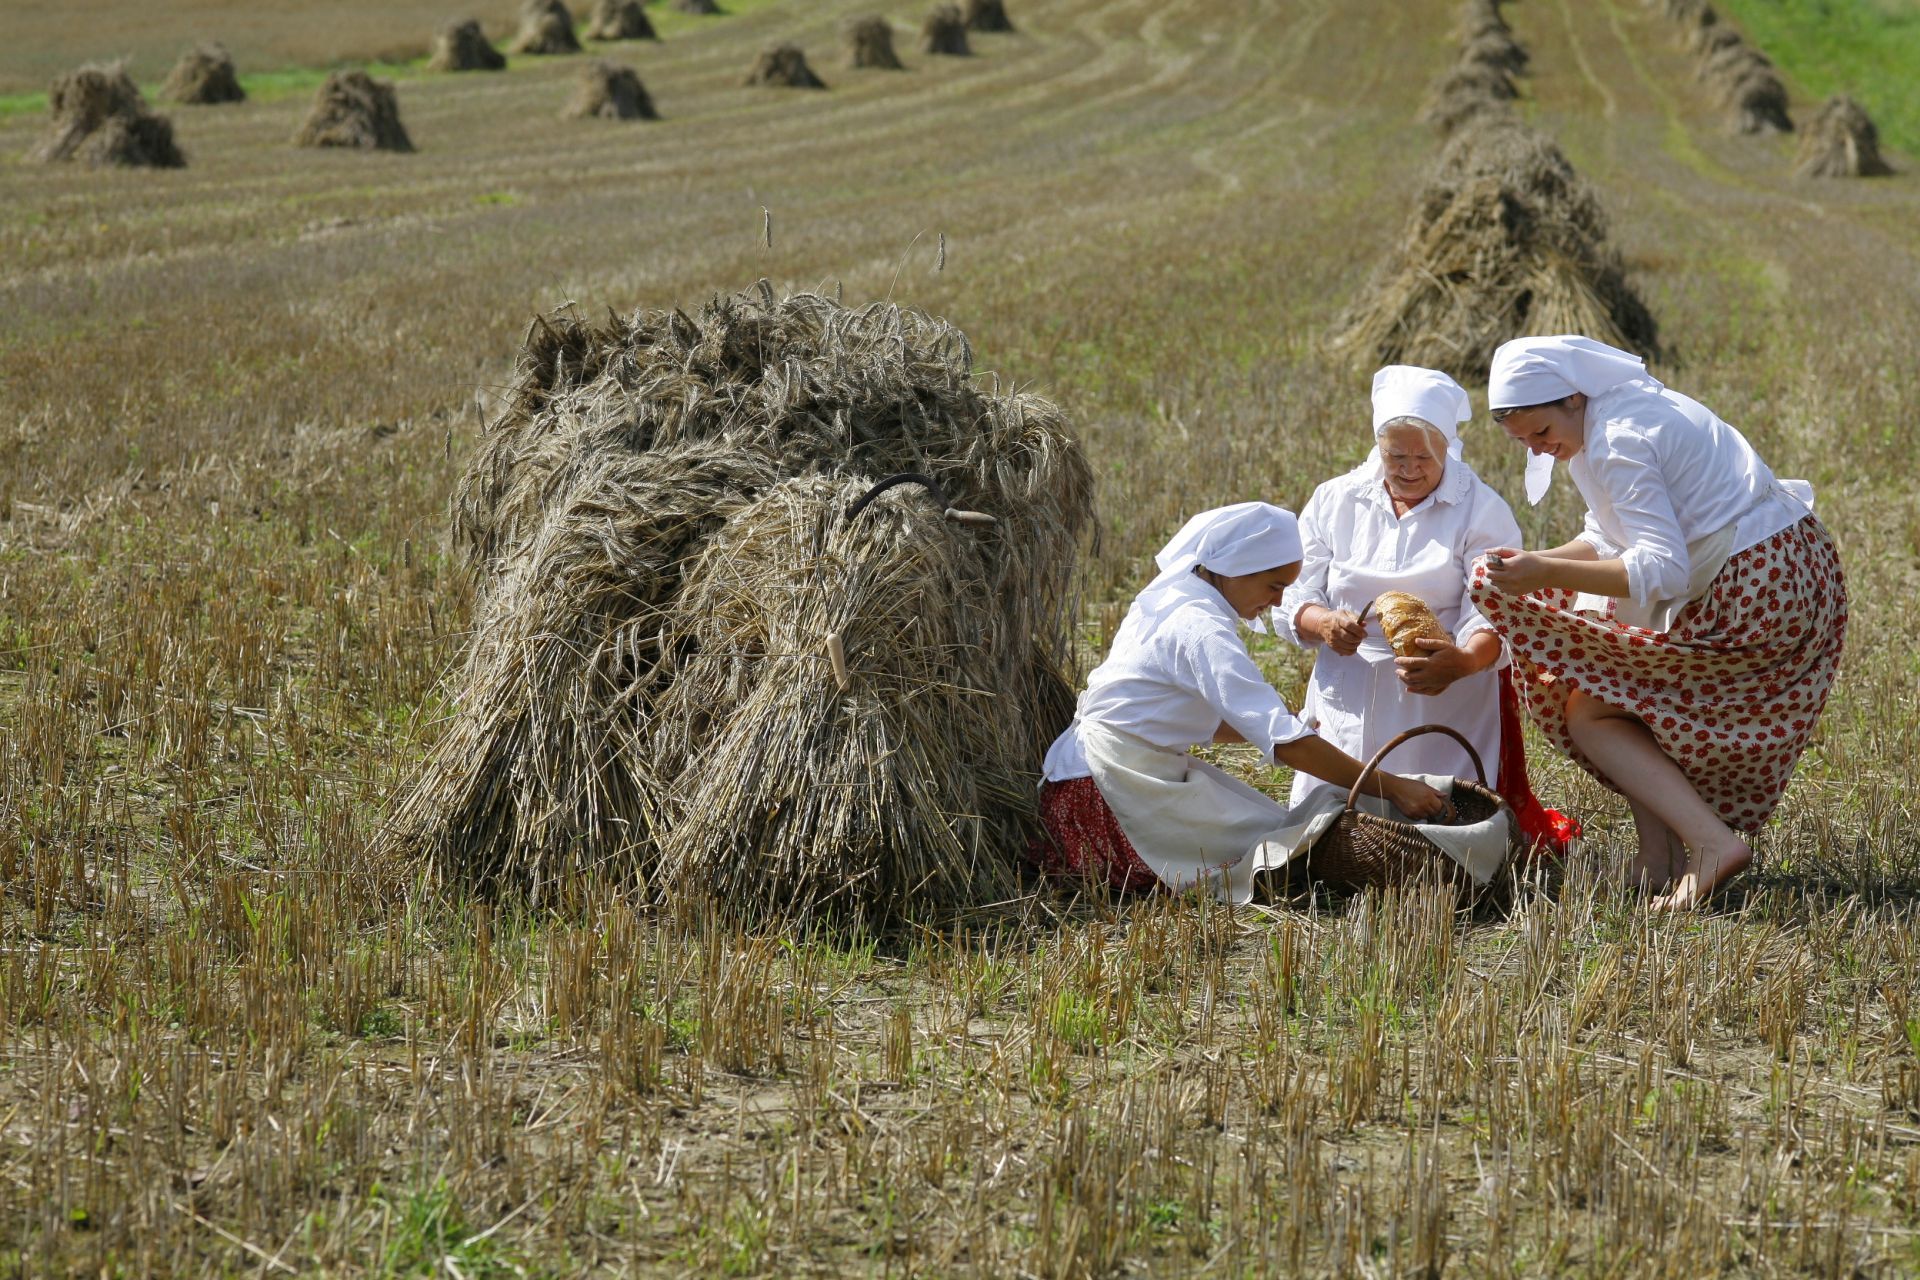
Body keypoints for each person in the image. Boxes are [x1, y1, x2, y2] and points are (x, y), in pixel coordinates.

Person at [1471, 335, 1848, 909]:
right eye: (1524, 442)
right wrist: (1535, 566)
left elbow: (1662, 568)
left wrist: (1540, 571)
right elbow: (1610, 534)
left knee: (1595, 710)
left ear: (1573, 398)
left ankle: (1709, 844)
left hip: (1757, 588)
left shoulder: (1618, 438)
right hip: (1773, 566)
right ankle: (1659, 856)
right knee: (1610, 693)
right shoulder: (1607, 419)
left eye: (1541, 434)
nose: (1540, 451)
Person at [1035, 502, 1448, 901]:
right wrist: (1392, 787)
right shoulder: (1201, 628)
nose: (1277, 602)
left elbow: (1166, 713)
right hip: (1107, 793)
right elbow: (1283, 742)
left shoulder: (1173, 596)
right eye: (1274, 586)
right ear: (1234, 568)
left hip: (1100, 774)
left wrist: (1285, 727)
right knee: (1278, 852)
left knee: (1277, 833)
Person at [1278, 365, 1579, 856]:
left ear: (1448, 450)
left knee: (1442, 829)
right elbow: (1293, 589)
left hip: (1447, 687)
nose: (1409, 468)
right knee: (1331, 830)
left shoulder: (1479, 508)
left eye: (1424, 456)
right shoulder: (1336, 500)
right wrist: (1323, 622)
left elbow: (1493, 607)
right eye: (1396, 455)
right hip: (1349, 684)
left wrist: (1461, 662)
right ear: (1378, 448)